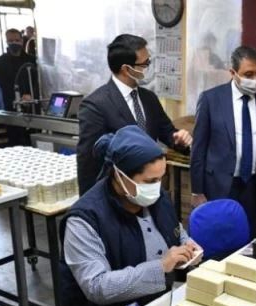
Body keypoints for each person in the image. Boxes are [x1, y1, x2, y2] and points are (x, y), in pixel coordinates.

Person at [59, 125, 200, 306]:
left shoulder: (157, 199)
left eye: (161, 178)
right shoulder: (84, 221)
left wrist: (187, 245)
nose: (157, 187)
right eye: (150, 181)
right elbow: (97, 286)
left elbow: (175, 229)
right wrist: (161, 267)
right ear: (119, 176)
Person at [77, 34, 193, 195]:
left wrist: (179, 139)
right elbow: (88, 163)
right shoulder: (96, 105)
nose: (149, 67)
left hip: (150, 187)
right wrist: (90, 203)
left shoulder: (149, 98)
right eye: (145, 64)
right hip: (118, 192)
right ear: (126, 69)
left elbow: (167, 132)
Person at [190, 46, 256, 236]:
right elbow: (198, 148)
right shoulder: (211, 99)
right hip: (219, 185)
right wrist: (197, 190)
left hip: (254, 186)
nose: (254, 79)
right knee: (218, 237)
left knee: (250, 237)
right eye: (248, 74)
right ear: (232, 72)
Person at [0, 28, 38, 145]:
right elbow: (4, 84)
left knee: (32, 138)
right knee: (15, 139)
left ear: (22, 41)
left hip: (31, 105)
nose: (14, 43)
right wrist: (19, 98)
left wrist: (30, 95)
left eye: (17, 40)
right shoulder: (1, 61)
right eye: (11, 40)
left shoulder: (32, 60)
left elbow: (37, 81)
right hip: (12, 105)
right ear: (6, 41)